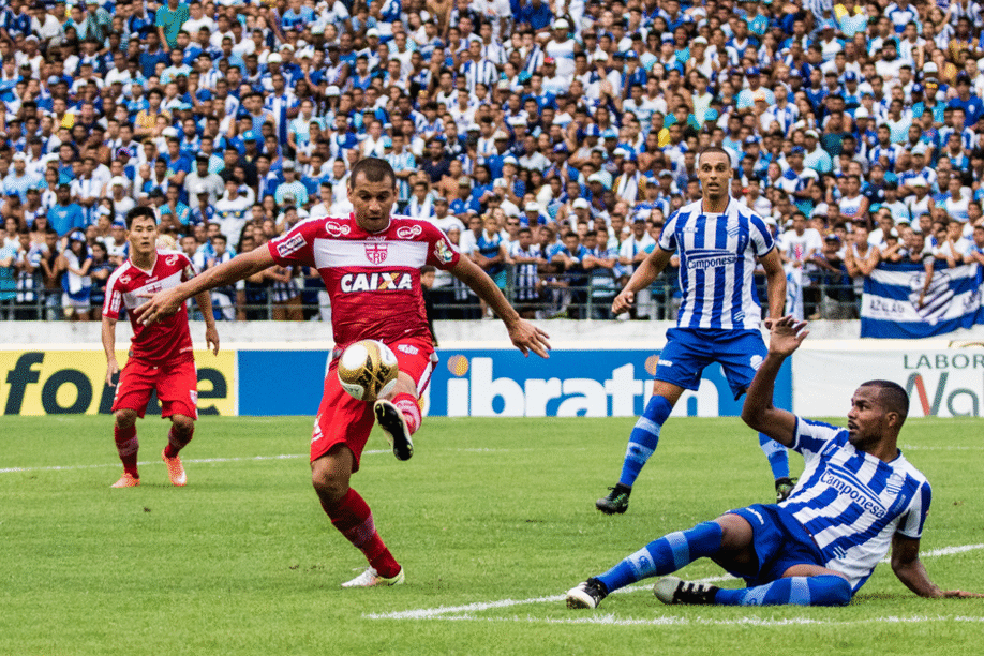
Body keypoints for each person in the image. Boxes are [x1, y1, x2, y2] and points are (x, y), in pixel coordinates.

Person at [133, 159, 551, 587]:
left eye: (383, 197)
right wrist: (183, 289)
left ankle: (400, 423)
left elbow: (473, 273)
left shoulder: (420, 235)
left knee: (395, 380)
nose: (374, 206)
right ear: (349, 195)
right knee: (327, 479)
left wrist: (512, 320)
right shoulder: (320, 235)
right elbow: (249, 262)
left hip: (408, 342)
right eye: (365, 197)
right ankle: (385, 568)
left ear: (395, 196)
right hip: (348, 360)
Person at [566, 316, 982, 609]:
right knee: (713, 531)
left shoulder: (914, 487)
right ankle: (599, 584)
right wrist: (775, 358)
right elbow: (756, 416)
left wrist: (935, 593)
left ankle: (712, 597)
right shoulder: (829, 439)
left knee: (838, 590)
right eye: (852, 403)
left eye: (863, 406)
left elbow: (904, 561)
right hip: (776, 524)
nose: (851, 412)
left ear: (891, 420)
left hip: (808, 565)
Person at [595, 147, 790, 516]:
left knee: (761, 407)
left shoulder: (750, 222)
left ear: (732, 174)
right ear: (697, 174)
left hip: (740, 329)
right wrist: (628, 291)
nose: (713, 174)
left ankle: (783, 484)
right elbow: (653, 263)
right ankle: (622, 490)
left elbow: (776, 271)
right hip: (690, 330)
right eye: (706, 168)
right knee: (656, 405)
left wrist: (774, 315)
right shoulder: (681, 220)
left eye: (720, 168)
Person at [101, 207, 219, 488]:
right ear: (128, 234)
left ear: (157, 232)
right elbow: (108, 322)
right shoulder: (120, 279)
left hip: (178, 358)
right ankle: (130, 474)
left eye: (149, 229)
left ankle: (171, 455)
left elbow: (200, 288)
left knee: (184, 423)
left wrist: (210, 325)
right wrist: (111, 359)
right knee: (123, 414)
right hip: (142, 358)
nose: (145, 235)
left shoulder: (178, 262)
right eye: (139, 230)